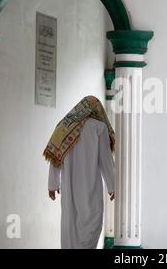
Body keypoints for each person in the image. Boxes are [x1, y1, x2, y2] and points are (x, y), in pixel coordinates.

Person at [43, 96, 115, 249]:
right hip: (90, 189)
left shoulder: (63, 127)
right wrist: (112, 186)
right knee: (91, 226)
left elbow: (55, 156)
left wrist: (52, 184)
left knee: (70, 228)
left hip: (69, 189)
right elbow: (106, 161)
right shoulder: (99, 127)